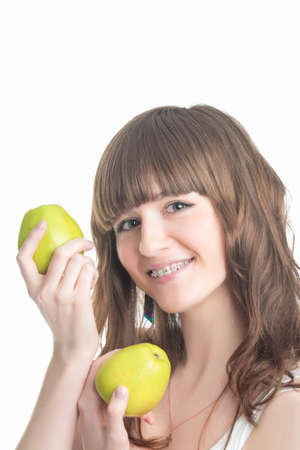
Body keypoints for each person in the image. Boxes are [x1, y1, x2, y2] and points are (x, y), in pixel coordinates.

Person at [15, 104, 300, 450]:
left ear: (241, 208)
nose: (148, 244)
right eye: (128, 224)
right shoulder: (109, 386)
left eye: (176, 206)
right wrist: (70, 353)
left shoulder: (289, 406)